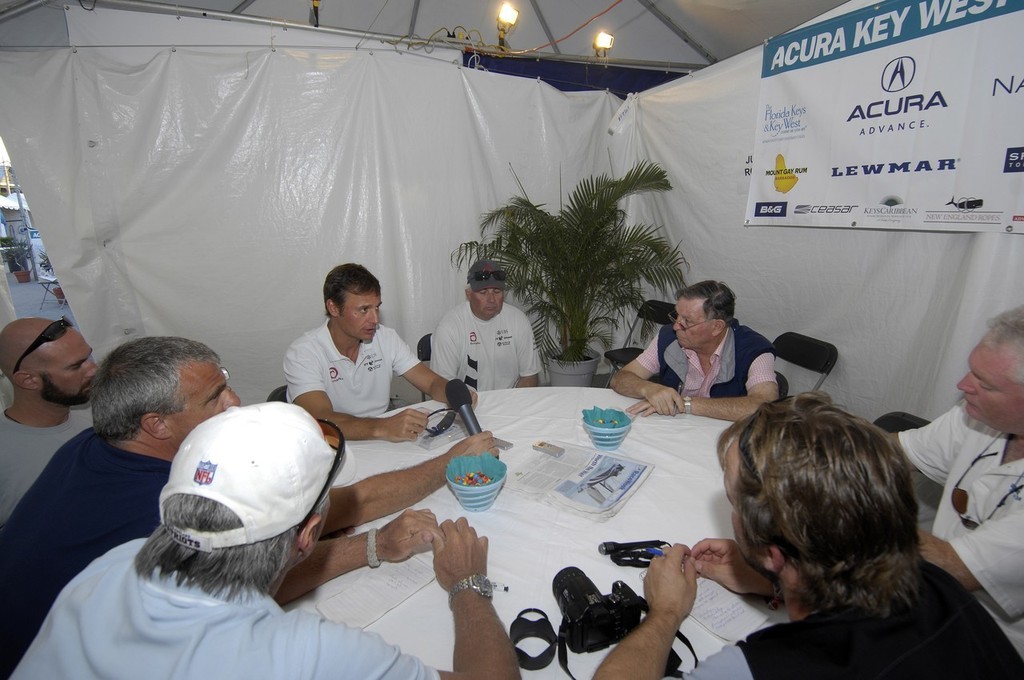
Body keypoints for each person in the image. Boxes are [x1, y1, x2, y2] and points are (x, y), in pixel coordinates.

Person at [0, 334, 497, 675]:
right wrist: (439, 486)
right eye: (215, 397)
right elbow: (273, 564)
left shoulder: (93, 465)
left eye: (226, 382)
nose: (235, 402)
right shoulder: (294, 651)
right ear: (155, 424)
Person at [595, 394, 1023, 679]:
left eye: (732, 498)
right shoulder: (941, 586)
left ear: (773, 547)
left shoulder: (762, 667)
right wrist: (769, 577)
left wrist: (666, 612)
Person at [897, 305, 1024, 657]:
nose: (963, 385)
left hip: (993, 651)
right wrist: (819, 437)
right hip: (933, 605)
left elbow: (957, 567)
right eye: (972, 370)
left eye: (985, 383)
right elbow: (899, 451)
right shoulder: (978, 416)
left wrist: (830, 498)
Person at [285, 263, 473, 442]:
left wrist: (456, 395)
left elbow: (431, 382)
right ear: (333, 307)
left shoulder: (385, 338)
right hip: (334, 443)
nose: (374, 319)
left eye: (377, 307)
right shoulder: (303, 353)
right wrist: (383, 426)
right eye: (364, 309)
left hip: (381, 438)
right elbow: (322, 419)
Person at [610, 280, 777, 421]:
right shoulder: (669, 337)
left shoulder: (755, 350)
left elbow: (763, 406)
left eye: (687, 321)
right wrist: (648, 388)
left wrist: (686, 404)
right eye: (677, 316)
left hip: (726, 439)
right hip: (676, 430)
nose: (676, 326)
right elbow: (620, 379)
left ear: (716, 327)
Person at [0, 316, 95, 525]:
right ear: (28, 380)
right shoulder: (5, 456)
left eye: (89, 357)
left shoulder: (98, 416)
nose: (93, 370)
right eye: (76, 366)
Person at [431, 259, 540, 391]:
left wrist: (514, 406)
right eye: (483, 292)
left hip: (510, 402)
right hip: (468, 405)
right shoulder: (449, 328)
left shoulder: (518, 320)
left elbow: (529, 376)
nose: (491, 299)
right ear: (468, 295)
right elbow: (442, 386)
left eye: (497, 291)